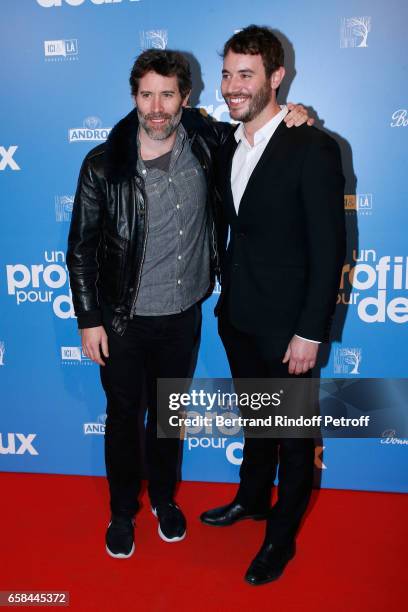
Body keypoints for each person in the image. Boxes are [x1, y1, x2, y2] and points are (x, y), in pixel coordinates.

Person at [67, 48, 311, 559]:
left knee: (168, 418)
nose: (156, 107)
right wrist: (89, 319)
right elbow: (81, 248)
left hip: (183, 316)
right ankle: (121, 511)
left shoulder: (206, 142)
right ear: (134, 97)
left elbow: (256, 131)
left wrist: (295, 113)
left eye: (167, 94)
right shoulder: (103, 165)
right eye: (146, 94)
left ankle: (162, 500)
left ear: (186, 98)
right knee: (122, 417)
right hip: (122, 320)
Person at [200, 26, 346, 585]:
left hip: (290, 331)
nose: (233, 87)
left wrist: (311, 332)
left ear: (276, 77)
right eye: (228, 74)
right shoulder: (223, 143)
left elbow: (330, 247)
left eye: (246, 75)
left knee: (292, 436)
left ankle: (279, 540)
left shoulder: (312, 146)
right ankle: (252, 500)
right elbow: (164, 115)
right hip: (238, 317)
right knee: (257, 422)